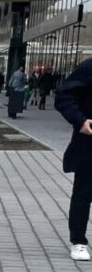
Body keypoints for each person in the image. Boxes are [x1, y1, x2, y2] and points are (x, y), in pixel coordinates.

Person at [53, 60, 92, 261]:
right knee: (84, 193)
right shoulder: (89, 68)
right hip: (89, 143)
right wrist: (80, 121)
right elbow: (63, 95)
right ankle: (78, 242)